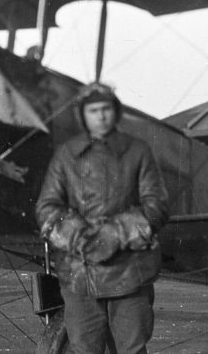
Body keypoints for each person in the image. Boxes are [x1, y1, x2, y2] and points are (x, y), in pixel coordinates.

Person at [35, 83, 169, 354]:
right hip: (79, 276)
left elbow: (156, 205)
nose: (101, 116)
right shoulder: (66, 155)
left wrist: (115, 233)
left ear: (115, 112)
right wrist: (78, 236)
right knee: (84, 348)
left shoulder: (138, 151)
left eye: (106, 109)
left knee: (132, 348)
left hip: (130, 273)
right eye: (93, 110)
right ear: (83, 115)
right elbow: (47, 208)